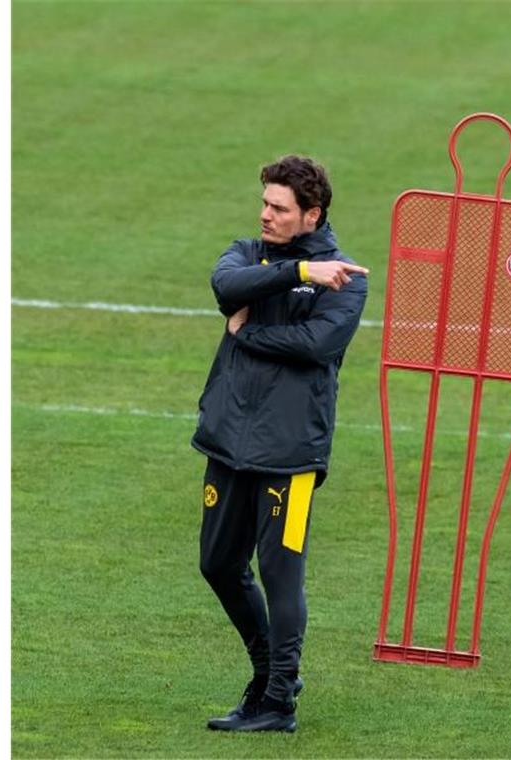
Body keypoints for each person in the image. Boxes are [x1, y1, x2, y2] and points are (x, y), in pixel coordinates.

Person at [191, 155, 369, 732]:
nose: (265, 214)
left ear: (311, 214)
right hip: (228, 442)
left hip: (289, 451)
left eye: (279, 208)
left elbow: (316, 343)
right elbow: (225, 285)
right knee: (218, 564)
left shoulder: (346, 277)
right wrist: (295, 276)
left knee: (279, 571)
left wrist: (247, 332)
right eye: (265, 203)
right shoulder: (248, 253)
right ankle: (272, 676)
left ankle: (277, 703)